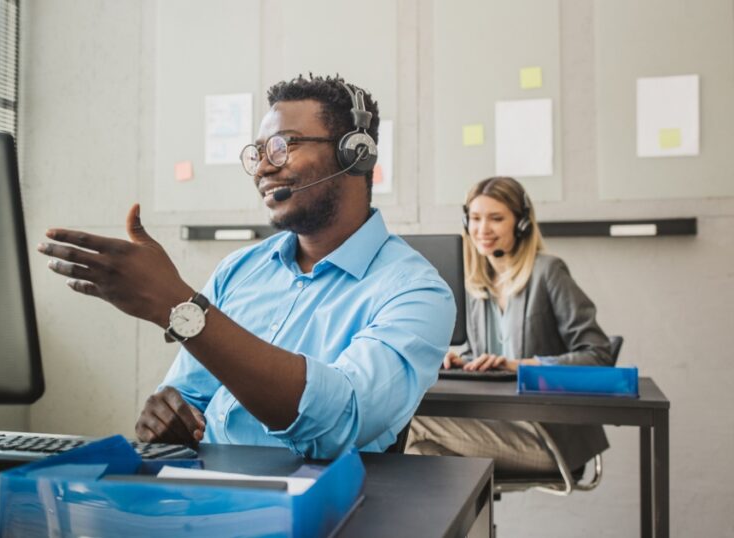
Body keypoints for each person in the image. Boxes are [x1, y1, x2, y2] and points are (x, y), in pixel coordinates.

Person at [37, 75, 455, 459]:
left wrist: (177, 305)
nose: (262, 167)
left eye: (282, 146)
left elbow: (340, 421)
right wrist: (167, 416)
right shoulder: (240, 269)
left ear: (355, 154)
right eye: (257, 152)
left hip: (320, 508)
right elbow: (189, 395)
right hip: (208, 495)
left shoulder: (416, 291)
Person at [407, 176, 613, 472]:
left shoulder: (548, 273)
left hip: (549, 436)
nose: (482, 229)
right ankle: (467, 519)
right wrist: (463, 360)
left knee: (413, 425)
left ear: (521, 223)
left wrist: (519, 365)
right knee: (421, 456)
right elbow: (492, 356)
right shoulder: (478, 285)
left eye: (496, 219)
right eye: (475, 219)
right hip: (496, 424)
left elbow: (598, 357)